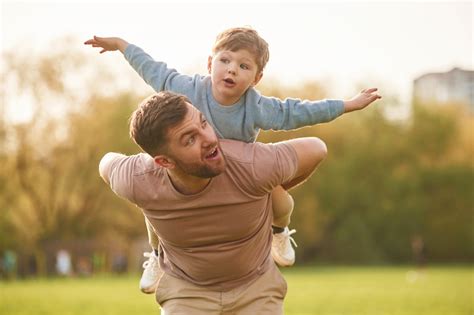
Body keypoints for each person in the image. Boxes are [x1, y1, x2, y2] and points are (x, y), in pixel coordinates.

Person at [85, 26, 381, 293]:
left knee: (283, 204)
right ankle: (159, 256)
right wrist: (122, 45)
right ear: (210, 63)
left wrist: (347, 105)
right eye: (225, 61)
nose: (232, 70)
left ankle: (278, 232)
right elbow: (153, 70)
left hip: (236, 173)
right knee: (154, 213)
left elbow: (298, 112)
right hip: (188, 171)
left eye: (243, 66)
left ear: (256, 78)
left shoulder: (257, 107)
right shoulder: (186, 89)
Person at [99, 91, 332, 314]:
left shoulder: (250, 164)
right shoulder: (137, 179)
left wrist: (265, 192)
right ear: (164, 161)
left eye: (203, 123)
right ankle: (157, 255)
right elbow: (106, 164)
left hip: (256, 286)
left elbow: (317, 149)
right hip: (186, 293)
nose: (210, 139)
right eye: (190, 139)